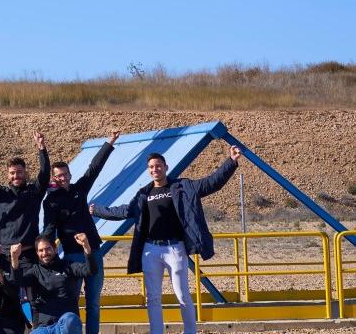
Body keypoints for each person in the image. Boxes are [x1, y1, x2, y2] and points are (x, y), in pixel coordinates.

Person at [90, 144, 241, 334]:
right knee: (153, 298)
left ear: (166, 167)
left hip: (175, 249)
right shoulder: (143, 194)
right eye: (151, 167)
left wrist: (231, 162)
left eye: (158, 165)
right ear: (149, 170)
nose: (155, 169)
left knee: (182, 295)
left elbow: (211, 183)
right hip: (150, 250)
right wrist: (97, 210)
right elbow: (123, 211)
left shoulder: (182, 186)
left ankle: (190, 332)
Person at [40, 132, 116, 334]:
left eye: (66, 174)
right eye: (59, 176)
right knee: (71, 301)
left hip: (93, 253)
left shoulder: (79, 189)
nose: (63, 178)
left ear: (70, 175)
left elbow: (94, 169)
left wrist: (109, 143)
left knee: (93, 301)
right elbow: (49, 228)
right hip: (72, 257)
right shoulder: (51, 201)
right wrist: (43, 249)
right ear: (54, 179)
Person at [0, 136, 51, 265]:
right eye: (12, 173)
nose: (16, 176)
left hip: (29, 256)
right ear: (8, 175)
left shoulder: (34, 192)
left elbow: (44, 173)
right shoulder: (1, 193)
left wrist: (41, 148)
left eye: (19, 172)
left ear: (25, 173)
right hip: (5, 256)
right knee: (6, 286)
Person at [14, 234, 95, 334]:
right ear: (37, 253)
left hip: (65, 325)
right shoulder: (35, 271)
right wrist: (14, 258)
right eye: (41, 250)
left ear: (55, 249)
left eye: (48, 249)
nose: (45, 253)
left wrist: (86, 246)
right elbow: (17, 282)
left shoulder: (68, 266)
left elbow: (91, 270)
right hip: (44, 327)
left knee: (71, 319)